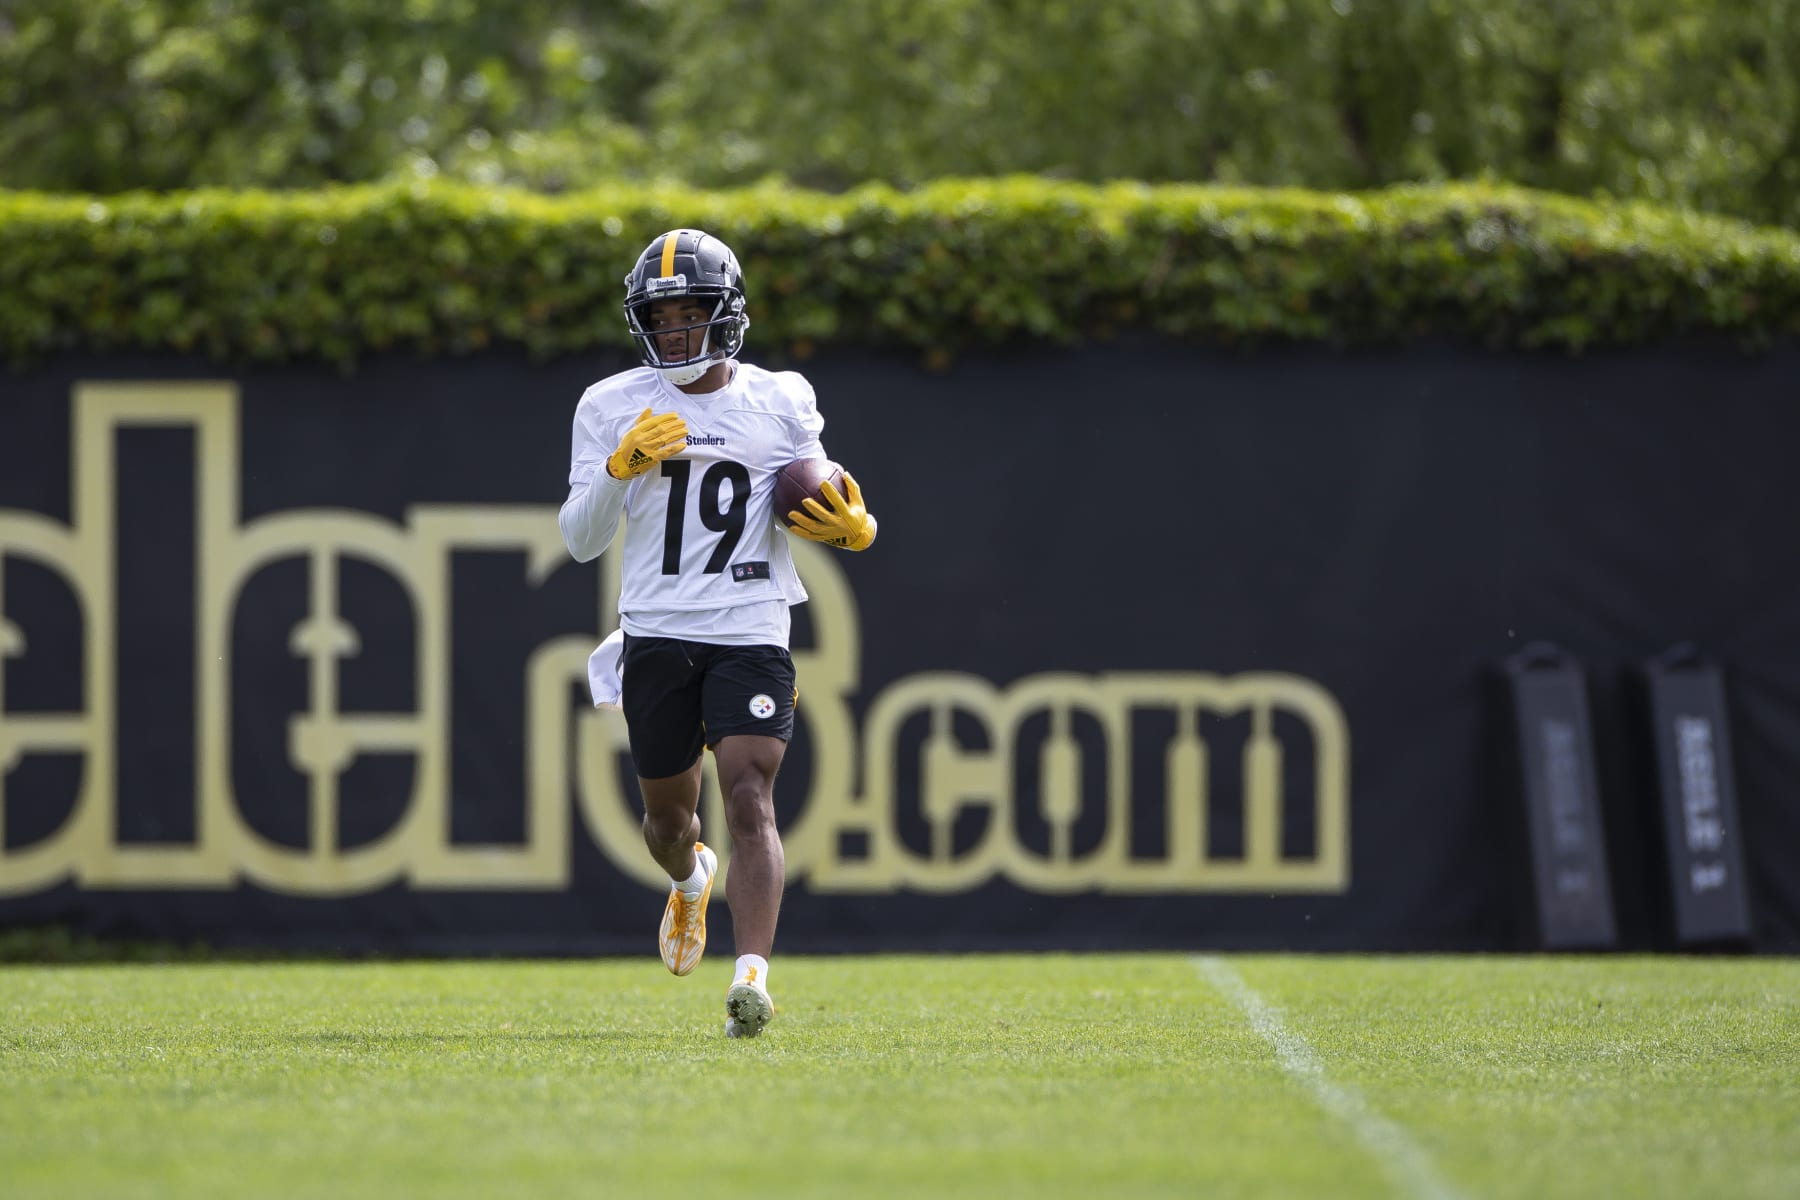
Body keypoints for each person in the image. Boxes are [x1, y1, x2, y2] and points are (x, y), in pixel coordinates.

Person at [558, 228, 877, 1038]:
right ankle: (691, 880)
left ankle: (752, 981)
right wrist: (618, 468)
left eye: (689, 313)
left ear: (727, 314)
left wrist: (856, 524)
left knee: (751, 796)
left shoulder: (779, 400)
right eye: (658, 318)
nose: (673, 332)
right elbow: (579, 538)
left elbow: (819, 489)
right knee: (670, 826)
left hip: (751, 623)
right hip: (658, 629)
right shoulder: (611, 404)